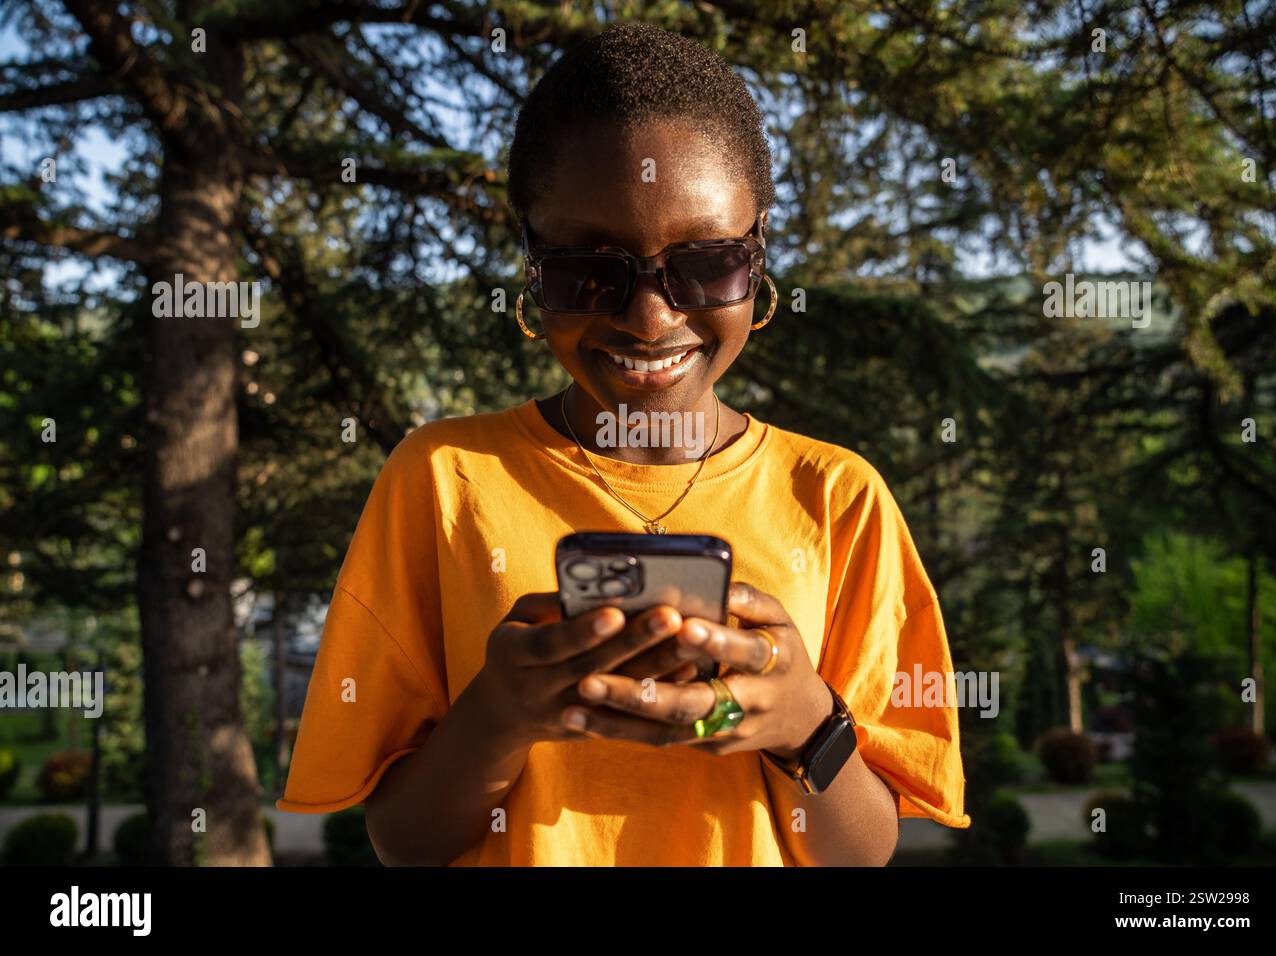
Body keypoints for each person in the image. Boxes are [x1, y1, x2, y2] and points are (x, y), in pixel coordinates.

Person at [277, 22, 969, 866]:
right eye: (587, 270)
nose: (649, 317)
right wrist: (499, 717)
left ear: (759, 255)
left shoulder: (836, 497)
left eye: (707, 264)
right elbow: (404, 843)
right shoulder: (444, 479)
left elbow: (863, 852)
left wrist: (804, 725)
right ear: (530, 263)